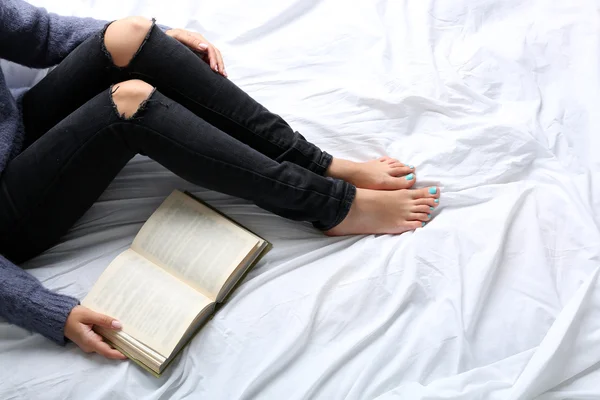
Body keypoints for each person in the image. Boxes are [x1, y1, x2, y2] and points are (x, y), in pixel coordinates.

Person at [0, 0, 441, 360]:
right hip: (9, 211)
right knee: (129, 104)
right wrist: (45, 311)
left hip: (17, 129)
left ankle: (317, 161)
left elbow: (39, 34)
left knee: (131, 34)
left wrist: (161, 45)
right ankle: (327, 204)